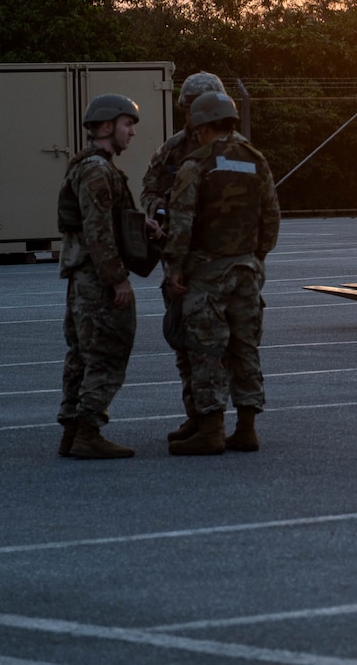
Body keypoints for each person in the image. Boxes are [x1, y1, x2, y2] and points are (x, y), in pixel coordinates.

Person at [162, 90, 281, 456]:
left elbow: (181, 223)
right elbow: (271, 218)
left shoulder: (196, 164)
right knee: (245, 348)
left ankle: (211, 430)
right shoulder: (256, 160)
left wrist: (174, 267)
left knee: (206, 349)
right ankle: (247, 429)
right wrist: (254, 256)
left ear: (202, 126)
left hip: (207, 273)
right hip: (246, 270)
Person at [140, 70, 226, 444]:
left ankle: (220, 422)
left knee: (221, 343)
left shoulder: (234, 148)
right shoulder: (173, 148)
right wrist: (158, 210)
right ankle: (196, 414)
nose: (197, 115)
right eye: (191, 108)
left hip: (219, 260)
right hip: (178, 258)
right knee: (183, 339)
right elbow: (148, 189)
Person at [56, 94, 144, 460]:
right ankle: (88, 431)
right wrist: (117, 279)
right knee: (106, 350)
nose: (131, 134)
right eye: (127, 126)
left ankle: (73, 430)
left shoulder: (90, 166)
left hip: (86, 277)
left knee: (82, 353)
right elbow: (98, 232)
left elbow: (110, 221)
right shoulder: (96, 170)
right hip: (97, 279)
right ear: (107, 127)